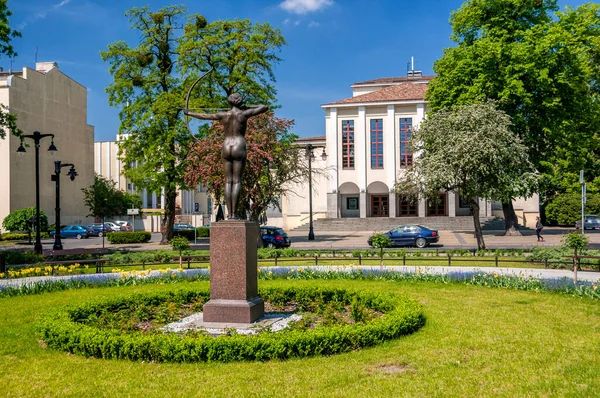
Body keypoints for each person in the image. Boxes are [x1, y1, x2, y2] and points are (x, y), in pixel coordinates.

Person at [185, 93, 268, 220]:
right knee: (237, 181)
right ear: (240, 101)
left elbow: (204, 116)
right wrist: (246, 107)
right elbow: (264, 106)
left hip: (226, 145)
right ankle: (234, 214)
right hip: (239, 145)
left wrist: (189, 113)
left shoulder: (223, 115)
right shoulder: (244, 114)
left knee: (228, 181)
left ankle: (230, 214)